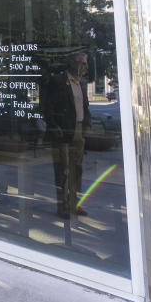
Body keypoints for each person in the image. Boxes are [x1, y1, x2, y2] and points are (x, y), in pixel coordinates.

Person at [45, 52, 90, 218]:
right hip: (64, 130)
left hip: (78, 129)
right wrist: (54, 126)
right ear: (71, 63)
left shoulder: (82, 83)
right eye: (81, 63)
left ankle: (74, 202)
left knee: (77, 168)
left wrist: (87, 124)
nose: (84, 67)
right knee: (64, 168)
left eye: (85, 64)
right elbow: (48, 106)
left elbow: (85, 106)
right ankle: (62, 204)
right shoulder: (58, 81)